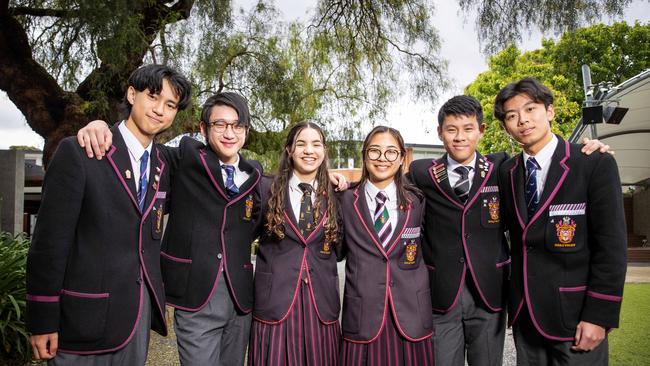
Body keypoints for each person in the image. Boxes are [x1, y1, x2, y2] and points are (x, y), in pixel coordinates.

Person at [77, 92, 265, 365]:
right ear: (203, 128)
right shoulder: (182, 159)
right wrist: (100, 125)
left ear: (246, 130)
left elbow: (258, 222)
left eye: (237, 125)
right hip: (195, 296)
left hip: (240, 299)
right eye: (220, 124)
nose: (229, 133)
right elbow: (136, 145)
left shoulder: (254, 173)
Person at [26, 64, 192, 365]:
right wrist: (42, 319)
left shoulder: (165, 164)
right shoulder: (79, 152)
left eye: (170, 105)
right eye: (153, 97)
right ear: (131, 94)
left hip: (136, 323)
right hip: (82, 319)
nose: (159, 110)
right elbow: (49, 243)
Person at [494, 77, 627, 365]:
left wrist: (598, 316)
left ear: (550, 111)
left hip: (576, 318)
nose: (523, 121)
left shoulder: (593, 162)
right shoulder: (507, 172)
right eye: (512, 116)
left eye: (530, 110)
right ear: (505, 125)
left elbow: (612, 247)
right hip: (525, 317)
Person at [408, 96, 509, 366]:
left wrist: (587, 151)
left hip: (488, 292)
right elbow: (382, 184)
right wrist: (342, 183)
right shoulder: (422, 172)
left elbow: (546, 164)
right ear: (440, 132)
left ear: (481, 130)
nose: (459, 137)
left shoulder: (501, 168)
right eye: (451, 129)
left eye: (467, 128)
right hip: (441, 293)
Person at [249, 121, 343, 365]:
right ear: (289, 149)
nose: (309, 151)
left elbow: (341, 248)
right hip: (275, 303)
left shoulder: (338, 195)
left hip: (320, 304)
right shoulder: (266, 188)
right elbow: (244, 236)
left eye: (316, 144)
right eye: (301, 144)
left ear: (324, 151)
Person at [339, 126, 434, 365]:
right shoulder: (345, 200)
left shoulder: (418, 200)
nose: (383, 158)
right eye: (375, 151)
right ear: (364, 155)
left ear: (402, 158)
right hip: (364, 313)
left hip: (411, 311)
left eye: (391, 152)